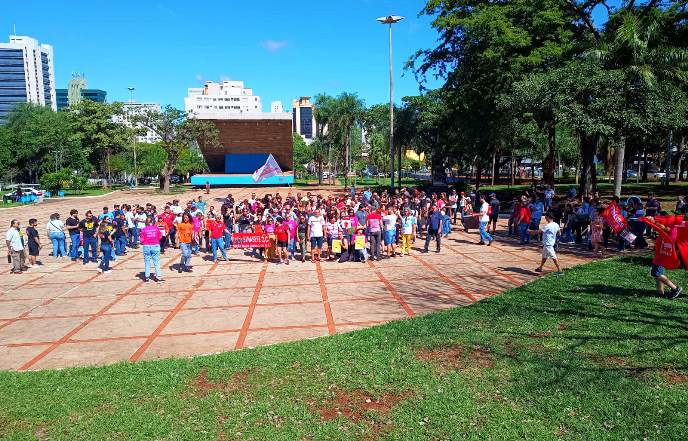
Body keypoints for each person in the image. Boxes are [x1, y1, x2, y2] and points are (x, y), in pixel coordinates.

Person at [140, 217, 163, 282]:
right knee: (156, 261)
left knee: (147, 262)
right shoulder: (156, 228)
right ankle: (158, 276)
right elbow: (160, 237)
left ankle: (147, 277)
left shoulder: (143, 229)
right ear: (153, 222)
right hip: (155, 245)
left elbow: (141, 239)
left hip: (146, 246)